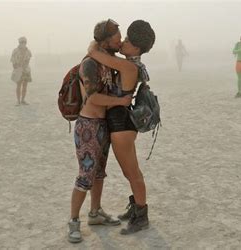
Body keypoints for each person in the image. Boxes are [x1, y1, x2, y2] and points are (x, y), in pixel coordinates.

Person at [87, 19, 155, 235]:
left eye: (126, 40)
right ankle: (136, 206)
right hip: (122, 123)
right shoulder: (134, 64)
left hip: (121, 125)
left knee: (132, 172)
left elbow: (95, 53)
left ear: (135, 47)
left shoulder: (128, 66)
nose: (122, 42)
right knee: (130, 172)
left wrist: (93, 45)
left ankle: (141, 215)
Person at [68, 19, 131, 243]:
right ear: (105, 39)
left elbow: (129, 62)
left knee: (99, 173)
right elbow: (93, 97)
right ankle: (74, 222)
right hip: (88, 126)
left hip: (104, 125)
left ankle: (95, 213)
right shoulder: (90, 64)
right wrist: (121, 101)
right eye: (117, 36)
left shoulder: (109, 60)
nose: (120, 39)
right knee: (85, 175)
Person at [10, 37, 32, 105]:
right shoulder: (15, 51)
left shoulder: (28, 51)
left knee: (25, 86)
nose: (23, 43)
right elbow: (12, 61)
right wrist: (17, 66)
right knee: (18, 85)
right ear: (19, 43)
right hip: (18, 70)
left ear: (26, 42)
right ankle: (18, 101)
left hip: (26, 70)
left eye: (24, 42)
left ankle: (23, 100)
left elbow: (28, 60)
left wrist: (25, 65)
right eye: (21, 42)